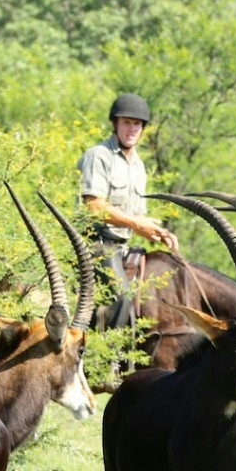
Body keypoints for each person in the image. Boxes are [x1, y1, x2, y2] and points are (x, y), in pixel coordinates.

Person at [79, 93, 178, 329]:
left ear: (143, 128)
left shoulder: (138, 165)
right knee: (122, 297)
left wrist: (159, 231)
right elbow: (94, 206)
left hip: (125, 246)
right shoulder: (98, 155)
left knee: (157, 294)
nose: (132, 128)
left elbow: (137, 216)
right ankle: (103, 359)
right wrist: (137, 225)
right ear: (115, 124)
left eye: (137, 124)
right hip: (97, 244)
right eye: (126, 122)